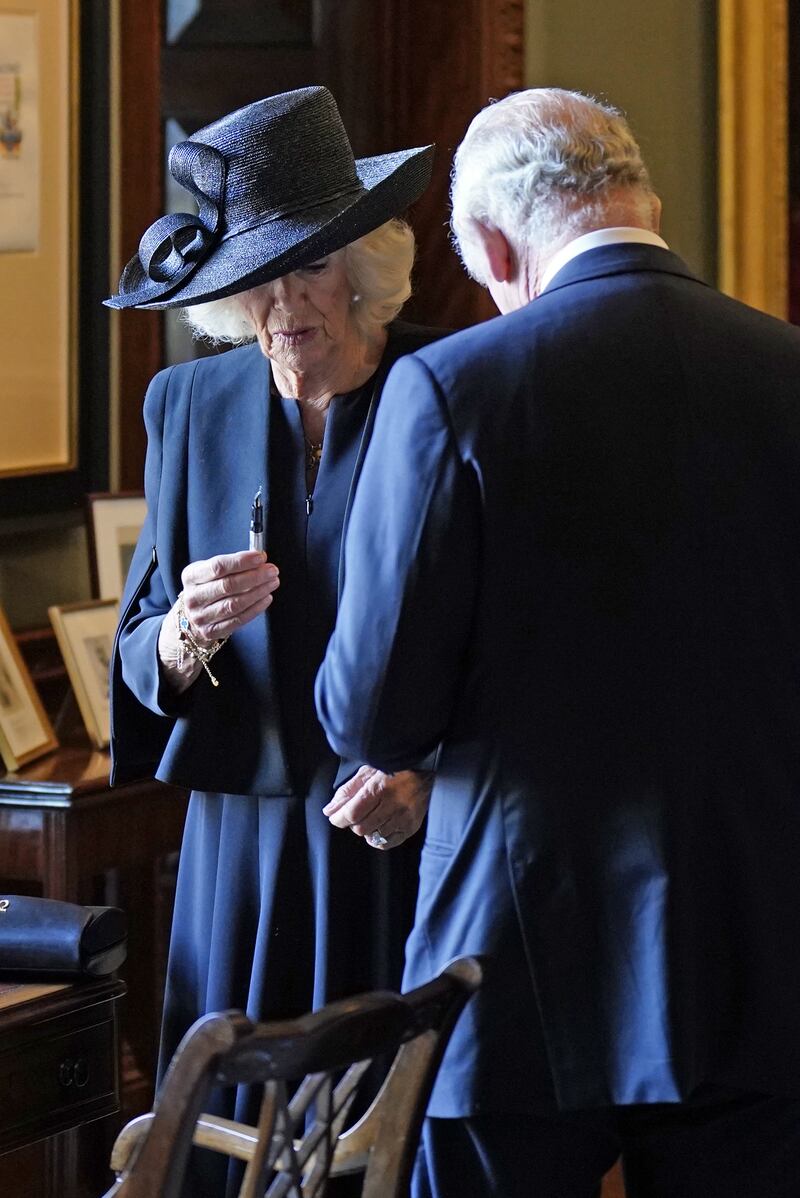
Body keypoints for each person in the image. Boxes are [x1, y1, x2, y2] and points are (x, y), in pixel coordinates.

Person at [316, 87, 800, 1198]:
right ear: (644, 199)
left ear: (490, 240)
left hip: (519, 954)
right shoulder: (785, 370)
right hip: (760, 942)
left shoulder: (451, 387)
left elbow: (374, 713)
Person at [106, 85, 438, 1194]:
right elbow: (140, 639)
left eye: (309, 269)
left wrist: (424, 779)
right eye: (258, 280)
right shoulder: (186, 404)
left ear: (367, 267)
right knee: (227, 1143)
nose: (284, 304)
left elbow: (505, 639)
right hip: (238, 849)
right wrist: (182, 636)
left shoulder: (441, 392)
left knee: (379, 1145)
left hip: (384, 831)